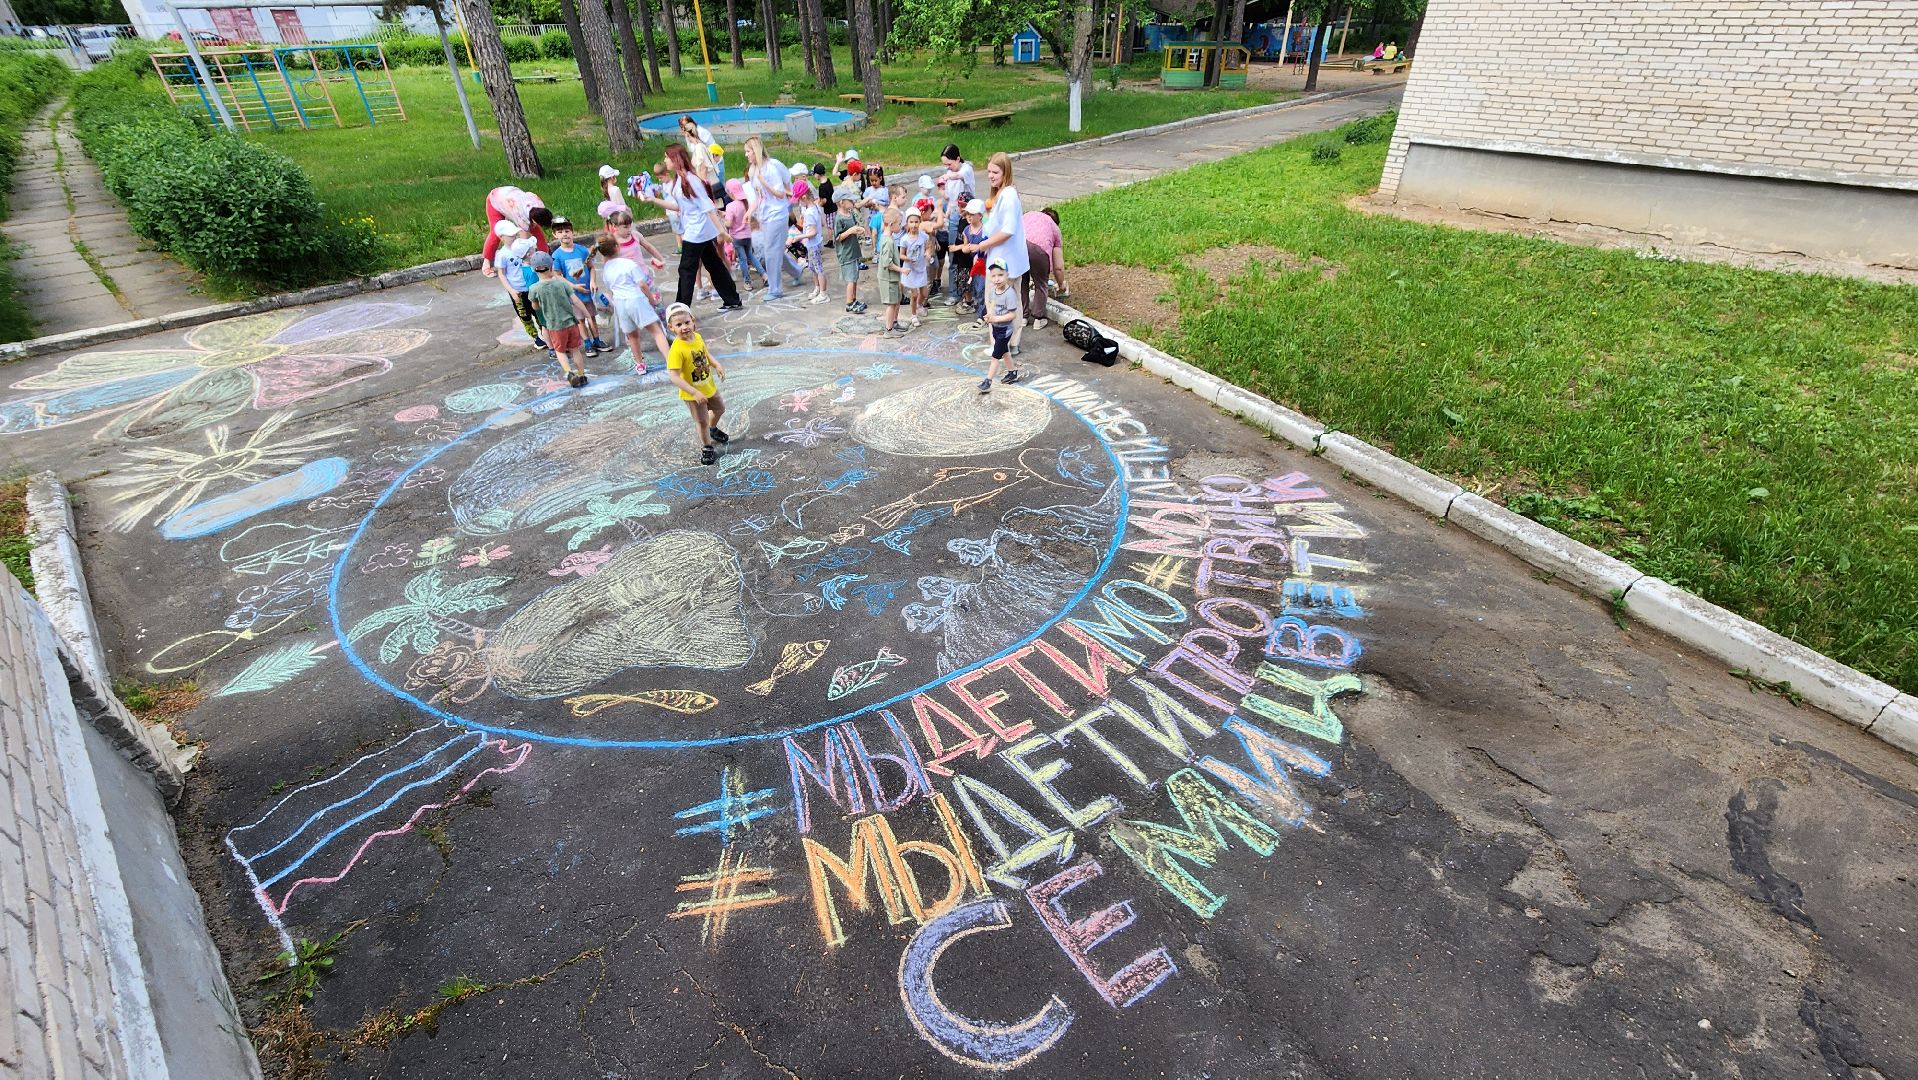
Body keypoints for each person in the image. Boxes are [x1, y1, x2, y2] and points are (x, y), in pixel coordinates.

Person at [643, 144, 743, 310]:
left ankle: (681, 308)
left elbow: (708, 207)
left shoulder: (691, 180)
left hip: (697, 232)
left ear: (676, 159)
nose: (665, 160)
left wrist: (722, 231)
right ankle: (732, 299)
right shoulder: (679, 180)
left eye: (667, 157)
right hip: (696, 230)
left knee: (686, 270)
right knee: (714, 265)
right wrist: (652, 200)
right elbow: (678, 206)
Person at [975, 152, 1030, 354]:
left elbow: (1008, 231)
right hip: (1005, 259)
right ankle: (1010, 344)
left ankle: (1000, 345)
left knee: (998, 303)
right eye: (988, 171)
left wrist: (983, 245)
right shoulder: (1002, 194)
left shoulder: (1008, 195)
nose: (990, 175)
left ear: (1005, 172)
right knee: (1010, 302)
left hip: (1004, 262)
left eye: (995, 172)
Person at [663, 303, 729, 465]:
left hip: (708, 386)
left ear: (693, 321)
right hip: (692, 394)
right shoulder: (676, 350)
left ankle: (712, 430)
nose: (684, 327)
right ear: (671, 327)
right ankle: (707, 447)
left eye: (686, 322)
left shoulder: (697, 337)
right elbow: (674, 376)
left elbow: (705, 354)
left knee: (720, 408)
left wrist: (716, 364)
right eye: (679, 325)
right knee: (701, 421)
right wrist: (694, 392)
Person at [596, 237, 671, 372]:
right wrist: (651, 300)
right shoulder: (628, 264)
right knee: (657, 331)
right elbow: (642, 284)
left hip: (620, 304)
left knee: (632, 336)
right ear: (617, 247)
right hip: (636, 300)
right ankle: (670, 361)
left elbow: (610, 288)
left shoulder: (606, 269)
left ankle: (640, 365)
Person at [744, 136, 801, 300]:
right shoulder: (752, 170)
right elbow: (757, 197)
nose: (746, 155)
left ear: (756, 151)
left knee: (770, 251)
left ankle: (775, 289)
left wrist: (764, 182)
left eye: (748, 151)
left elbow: (780, 193)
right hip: (765, 215)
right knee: (774, 249)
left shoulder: (771, 168)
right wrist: (749, 212)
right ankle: (796, 271)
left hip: (778, 214)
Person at [527, 251, 591, 387]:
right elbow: (576, 301)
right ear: (551, 267)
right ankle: (581, 375)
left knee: (560, 351)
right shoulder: (562, 284)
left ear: (534, 270)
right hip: (571, 323)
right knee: (575, 350)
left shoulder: (534, 288)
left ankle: (569, 372)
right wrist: (587, 315)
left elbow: (535, 306)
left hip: (554, 326)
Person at [547, 217, 602, 357]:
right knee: (580, 320)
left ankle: (597, 340)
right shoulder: (557, 255)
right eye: (560, 232)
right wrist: (574, 286)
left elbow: (591, 268)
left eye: (567, 231)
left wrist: (592, 282)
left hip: (588, 292)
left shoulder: (582, 250)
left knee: (592, 317)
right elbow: (558, 275)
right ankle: (588, 344)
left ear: (572, 232)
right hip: (574, 294)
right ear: (555, 235)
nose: (564, 234)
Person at [492, 220, 545, 351]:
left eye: (515, 234)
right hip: (518, 290)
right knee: (525, 315)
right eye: (510, 235)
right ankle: (536, 337)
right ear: (501, 237)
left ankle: (545, 333)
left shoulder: (523, 246)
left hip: (532, 286)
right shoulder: (503, 254)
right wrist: (511, 291)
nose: (514, 237)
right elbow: (502, 274)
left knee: (539, 311)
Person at [481, 187, 551, 277]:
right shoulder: (519, 214)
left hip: (510, 195)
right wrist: (526, 259)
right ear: (533, 219)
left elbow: (537, 233)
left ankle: (545, 258)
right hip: (495, 199)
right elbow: (523, 240)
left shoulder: (539, 205)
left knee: (538, 234)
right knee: (496, 232)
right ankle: (486, 262)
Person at [1019, 204, 1063, 331]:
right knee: (1041, 283)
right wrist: (1061, 285)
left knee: (1022, 281)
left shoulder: (1029, 214)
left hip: (1019, 246)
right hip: (1039, 251)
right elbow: (1058, 267)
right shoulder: (1054, 227)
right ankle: (1038, 319)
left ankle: (1023, 317)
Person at [979, 256, 1021, 393]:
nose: (997, 279)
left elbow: (1012, 315)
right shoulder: (992, 291)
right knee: (1004, 352)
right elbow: (991, 305)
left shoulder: (1010, 294)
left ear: (1007, 275)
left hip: (1005, 330)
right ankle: (1012, 372)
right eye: (994, 276)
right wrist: (989, 315)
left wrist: (996, 319)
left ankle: (988, 381)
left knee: (995, 356)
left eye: (1001, 275)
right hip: (996, 329)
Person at [723, 178, 763, 291]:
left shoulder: (731, 206)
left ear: (730, 193)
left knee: (743, 260)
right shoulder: (745, 203)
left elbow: (729, 223)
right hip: (747, 235)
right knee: (750, 256)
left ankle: (747, 282)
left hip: (737, 237)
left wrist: (724, 220)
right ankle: (764, 275)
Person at [832, 192, 868, 313]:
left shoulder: (850, 214)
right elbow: (837, 238)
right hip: (846, 253)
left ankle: (854, 299)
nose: (853, 203)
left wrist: (858, 229)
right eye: (850, 201)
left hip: (854, 251)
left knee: (855, 277)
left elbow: (853, 228)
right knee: (851, 279)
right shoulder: (838, 218)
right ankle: (849, 303)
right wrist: (850, 231)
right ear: (841, 202)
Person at [793, 181, 829, 304]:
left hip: (813, 243)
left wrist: (799, 237)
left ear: (803, 197)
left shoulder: (809, 212)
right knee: (813, 267)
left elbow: (812, 232)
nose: (798, 202)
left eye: (799, 199)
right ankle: (817, 288)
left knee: (818, 269)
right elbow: (822, 224)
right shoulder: (815, 207)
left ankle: (823, 293)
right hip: (814, 243)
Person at [876, 208, 905, 334]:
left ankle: (894, 322)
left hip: (892, 278)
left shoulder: (887, 237)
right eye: (899, 223)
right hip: (888, 278)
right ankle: (889, 329)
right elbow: (887, 263)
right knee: (891, 304)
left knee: (895, 301)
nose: (900, 226)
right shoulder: (887, 241)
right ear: (892, 224)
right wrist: (902, 270)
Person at [900, 208, 929, 327]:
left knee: (924, 293)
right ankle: (913, 315)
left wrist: (928, 253)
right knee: (914, 294)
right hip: (910, 270)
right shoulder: (904, 239)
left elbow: (928, 247)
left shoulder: (924, 236)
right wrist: (908, 258)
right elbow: (901, 255)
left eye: (916, 222)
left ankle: (919, 305)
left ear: (920, 222)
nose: (914, 225)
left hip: (921, 268)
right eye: (911, 222)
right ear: (907, 223)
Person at [680, 115, 718, 182]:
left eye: (685, 126)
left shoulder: (701, 133)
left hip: (714, 164)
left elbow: (703, 167)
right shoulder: (690, 138)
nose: (683, 129)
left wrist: (703, 183)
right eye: (682, 127)